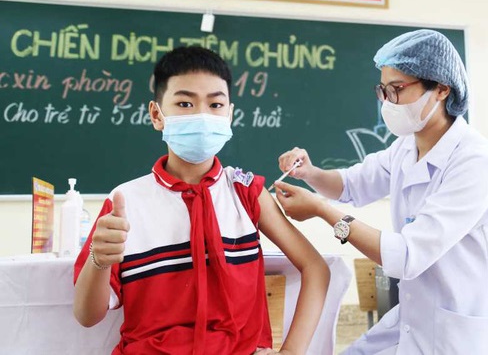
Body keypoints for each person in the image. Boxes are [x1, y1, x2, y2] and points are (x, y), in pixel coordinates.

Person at [274, 30, 488, 355]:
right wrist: (310, 172)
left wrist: (321, 210)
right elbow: (350, 184)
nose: (388, 102)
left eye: (397, 89)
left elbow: (406, 256)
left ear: (442, 88)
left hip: (463, 337)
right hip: (416, 322)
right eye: (383, 90)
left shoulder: (475, 161)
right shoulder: (405, 148)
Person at [73, 46, 330, 355]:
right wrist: (99, 261)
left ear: (229, 114)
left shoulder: (245, 193)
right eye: (185, 103)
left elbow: (315, 267)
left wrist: (291, 351)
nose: (202, 115)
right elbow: (87, 316)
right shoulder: (125, 202)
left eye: (215, 104)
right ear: (156, 115)